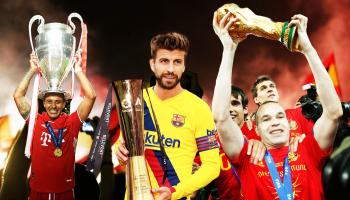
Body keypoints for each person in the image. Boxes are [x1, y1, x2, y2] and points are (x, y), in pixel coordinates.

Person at [212, 10, 342, 200]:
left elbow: (333, 113)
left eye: (280, 116)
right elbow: (221, 118)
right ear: (256, 128)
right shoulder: (247, 155)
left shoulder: (307, 148)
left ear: (288, 123)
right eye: (266, 118)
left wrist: (307, 49)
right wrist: (229, 50)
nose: (275, 121)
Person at [116, 32, 220, 200]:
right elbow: (123, 150)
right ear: (152, 64)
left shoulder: (199, 108)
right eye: (164, 61)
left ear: (184, 66)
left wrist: (175, 192)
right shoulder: (134, 101)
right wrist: (119, 153)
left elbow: (212, 166)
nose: (170, 69)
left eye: (177, 62)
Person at [13, 52, 96, 199]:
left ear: (64, 104)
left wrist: (78, 70)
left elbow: (91, 96)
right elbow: (18, 95)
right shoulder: (35, 120)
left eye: (58, 102)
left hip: (64, 191)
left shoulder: (72, 122)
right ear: (44, 104)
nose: (53, 106)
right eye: (49, 101)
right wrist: (32, 70)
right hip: (38, 191)